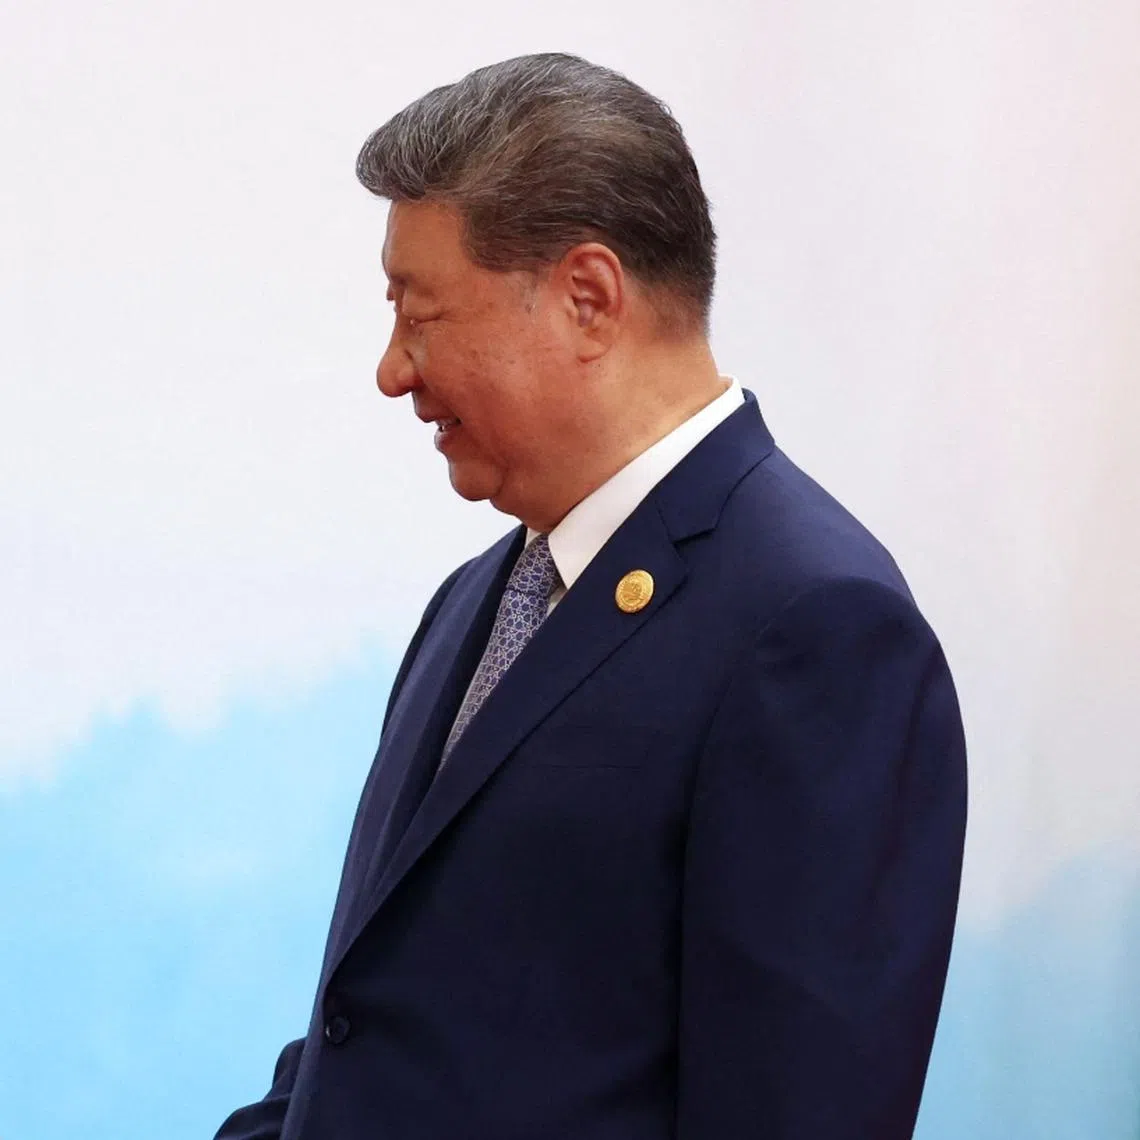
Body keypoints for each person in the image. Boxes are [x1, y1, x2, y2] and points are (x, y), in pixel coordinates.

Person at [214, 52, 967, 1140]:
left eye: (420, 312)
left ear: (587, 297)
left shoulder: (817, 626)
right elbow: (382, 1032)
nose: (392, 368)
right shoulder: (475, 599)